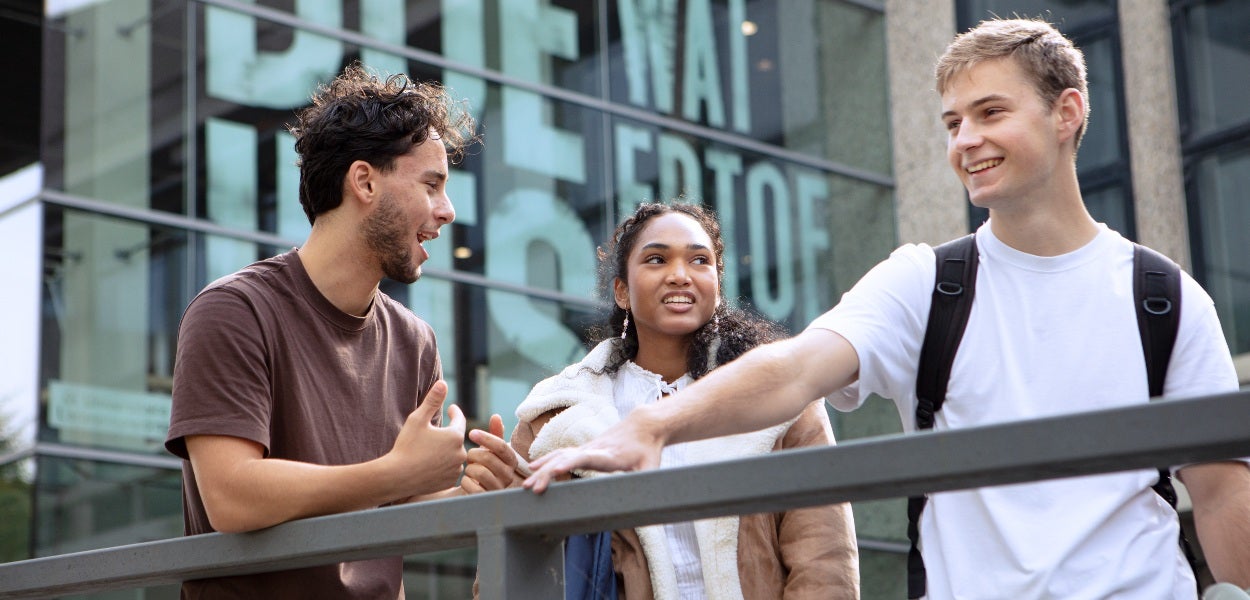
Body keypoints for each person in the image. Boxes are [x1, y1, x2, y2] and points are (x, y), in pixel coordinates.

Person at [524, 18, 1250, 599]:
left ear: (1068, 112)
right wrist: (653, 425)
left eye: (990, 113)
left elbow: (1219, 498)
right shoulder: (926, 284)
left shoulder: (1166, 299)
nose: (966, 141)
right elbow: (797, 367)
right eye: (952, 122)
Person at [164, 63, 514, 599]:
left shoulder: (415, 339)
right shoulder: (234, 310)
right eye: (433, 184)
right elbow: (232, 497)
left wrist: (476, 490)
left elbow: (398, 507)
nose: (448, 211)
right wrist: (398, 472)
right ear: (365, 181)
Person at [473, 202, 859, 599]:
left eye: (699, 260)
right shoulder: (556, 410)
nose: (679, 275)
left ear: (717, 285)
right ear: (621, 291)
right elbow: (508, 576)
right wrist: (503, 498)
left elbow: (824, 564)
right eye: (657, 259)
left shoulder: (781, 397)